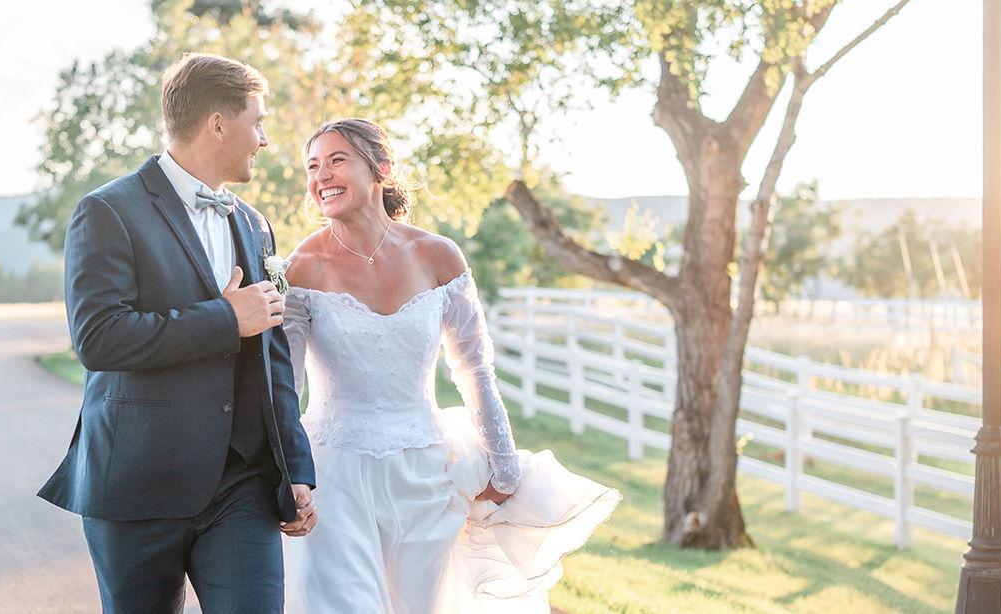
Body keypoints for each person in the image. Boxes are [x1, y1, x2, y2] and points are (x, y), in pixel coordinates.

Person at [280, 118, 621, 613]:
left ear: (381, 168)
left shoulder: (438, 256)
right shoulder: (301, 268)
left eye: (337, 160)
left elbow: (474, 369)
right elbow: (284, 387)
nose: (322, 176)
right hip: (334, 478)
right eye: (313, 166)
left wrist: (504, 468)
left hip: (426, 476)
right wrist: (287, 472)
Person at [36, 53, 316, 614]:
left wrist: (295, 467)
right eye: (257, 122)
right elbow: (99, 338)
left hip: (241, 487)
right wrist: (226, 319)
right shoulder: (108, 211)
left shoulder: (254, 223)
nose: (264, 139)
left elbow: (273, 357)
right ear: (218, 124)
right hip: (138, 484)